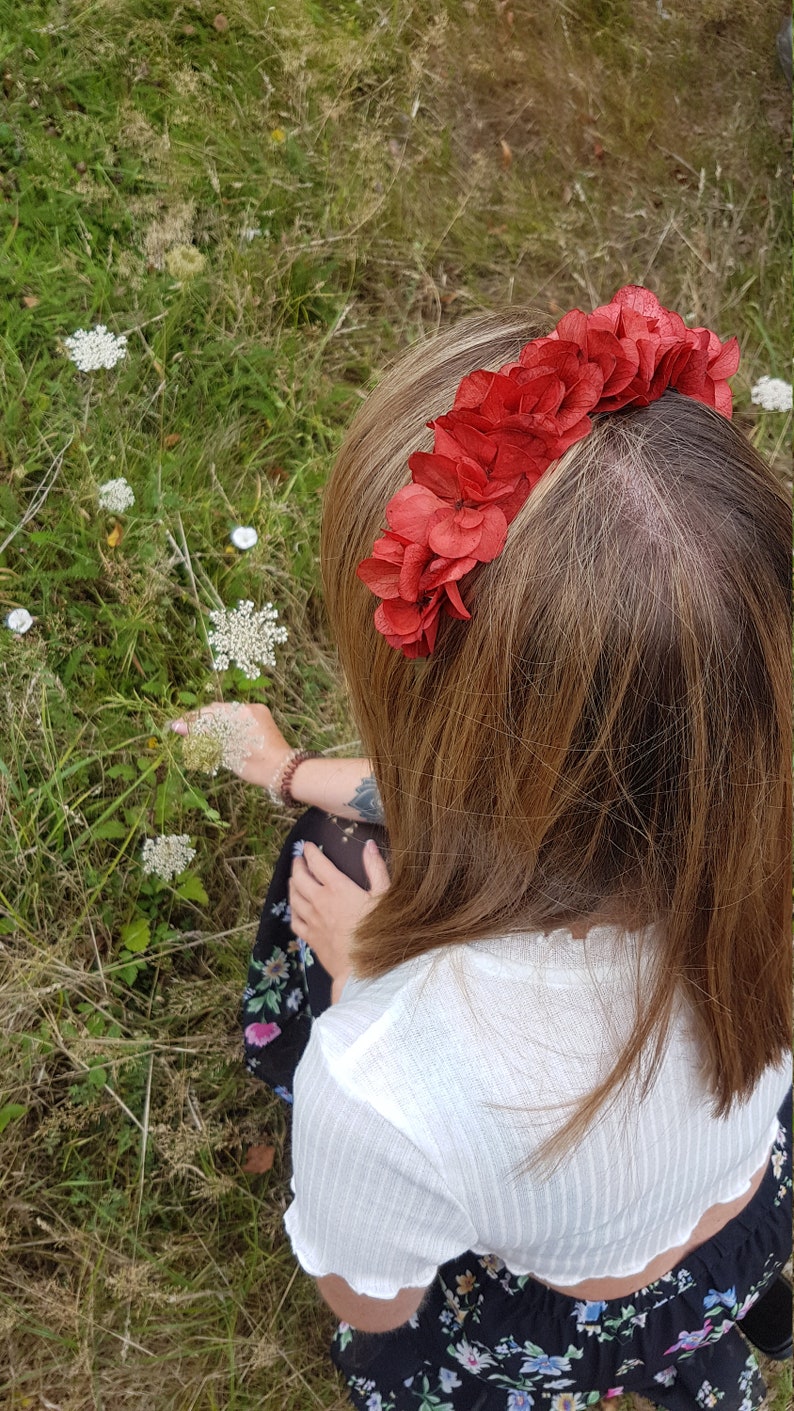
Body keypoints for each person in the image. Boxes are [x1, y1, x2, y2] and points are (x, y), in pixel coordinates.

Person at [172, 287, 792, 1411]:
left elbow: (370, 1302)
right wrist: (286, 770)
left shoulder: (380, 1083)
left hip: (547, 1316)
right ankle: (704, 1357)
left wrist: (364, 986)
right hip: (739, 1231)